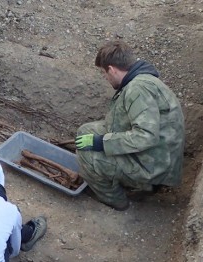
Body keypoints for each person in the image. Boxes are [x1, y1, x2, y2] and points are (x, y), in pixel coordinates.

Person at [75, 40, 185, 211]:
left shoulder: (137, 89)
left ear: (111, 69)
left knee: (87, 155)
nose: (106, 78)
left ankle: (117, 201)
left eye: (104, 74)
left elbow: (145, 136)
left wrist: (102, 143)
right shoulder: (142, 80)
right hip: (155, 155)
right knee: (85, 132)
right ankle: (127, 183)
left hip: (154, 167)